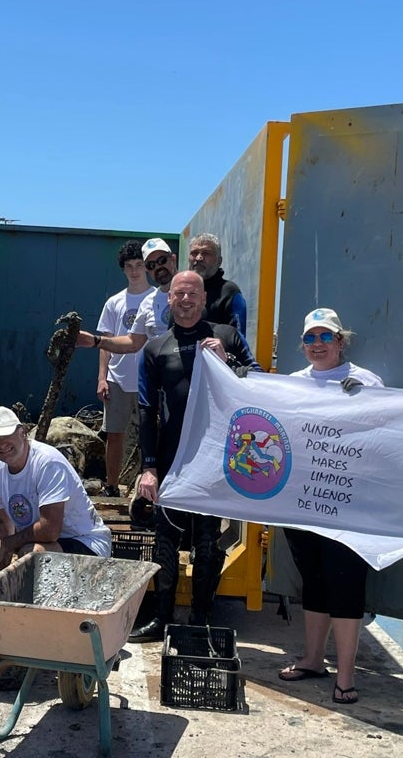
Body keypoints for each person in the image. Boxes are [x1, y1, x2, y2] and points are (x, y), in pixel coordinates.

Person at [129, 271, 258, 642]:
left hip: (215, 459)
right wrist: (148, 468)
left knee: (206, 543)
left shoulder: (227, 336)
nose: (185, 300)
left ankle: (200, 617)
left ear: (203, 299)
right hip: (172, 460)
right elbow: (145, 409)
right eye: (178, 294)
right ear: (169, 300)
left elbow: (259, 380)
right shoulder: (155, 348)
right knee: (164, 541)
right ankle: (164, 618)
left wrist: (228, 360)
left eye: (193, 294)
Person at [277, 307, 384, 705]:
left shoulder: (367, 381)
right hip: (302, 504)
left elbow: (386, 433)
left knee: (346, 585)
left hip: (349, 506)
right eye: (310, 338)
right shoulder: (290, 384)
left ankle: (346, 675)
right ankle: (312, 658)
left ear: (341, 341)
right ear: (302, 345)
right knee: (313, 581)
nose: (318, 345)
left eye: (326, 337)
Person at [0, 407, 112, 571]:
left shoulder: (47, 463)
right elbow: (2, 526)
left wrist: (7, 543)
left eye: (6, 435)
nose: (1, 445)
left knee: (32, 554)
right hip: (47, 544)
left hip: (86, 543)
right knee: (16, 556)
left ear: (22, 432)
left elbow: (49, 530)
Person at [92, 240, 154, 497]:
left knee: (149, 438)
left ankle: (146, 490)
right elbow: (105, 342)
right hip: (117, 378)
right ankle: (112, 486)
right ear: (123, 269)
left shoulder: (158, 298)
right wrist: (102, 377)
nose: (135, 271)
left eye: (139, 265)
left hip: (148, 379)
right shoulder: (114, 302)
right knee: (114, 434)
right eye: (129, 266)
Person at [75, 236, 176, 356]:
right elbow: (133, 342)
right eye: (151, 265)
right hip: (156, 373)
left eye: (162, 260)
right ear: (147, 269)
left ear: (173, 259)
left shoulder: (194, 288)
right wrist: (96, 341)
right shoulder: (148, 302)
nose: (158, 267)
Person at [187, 233, 248, 336]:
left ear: (219, 261)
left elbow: (238, 338)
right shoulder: (181, 291)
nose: (199, 258)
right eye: (194, 253)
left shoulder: (229, 292)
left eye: (206, 253)